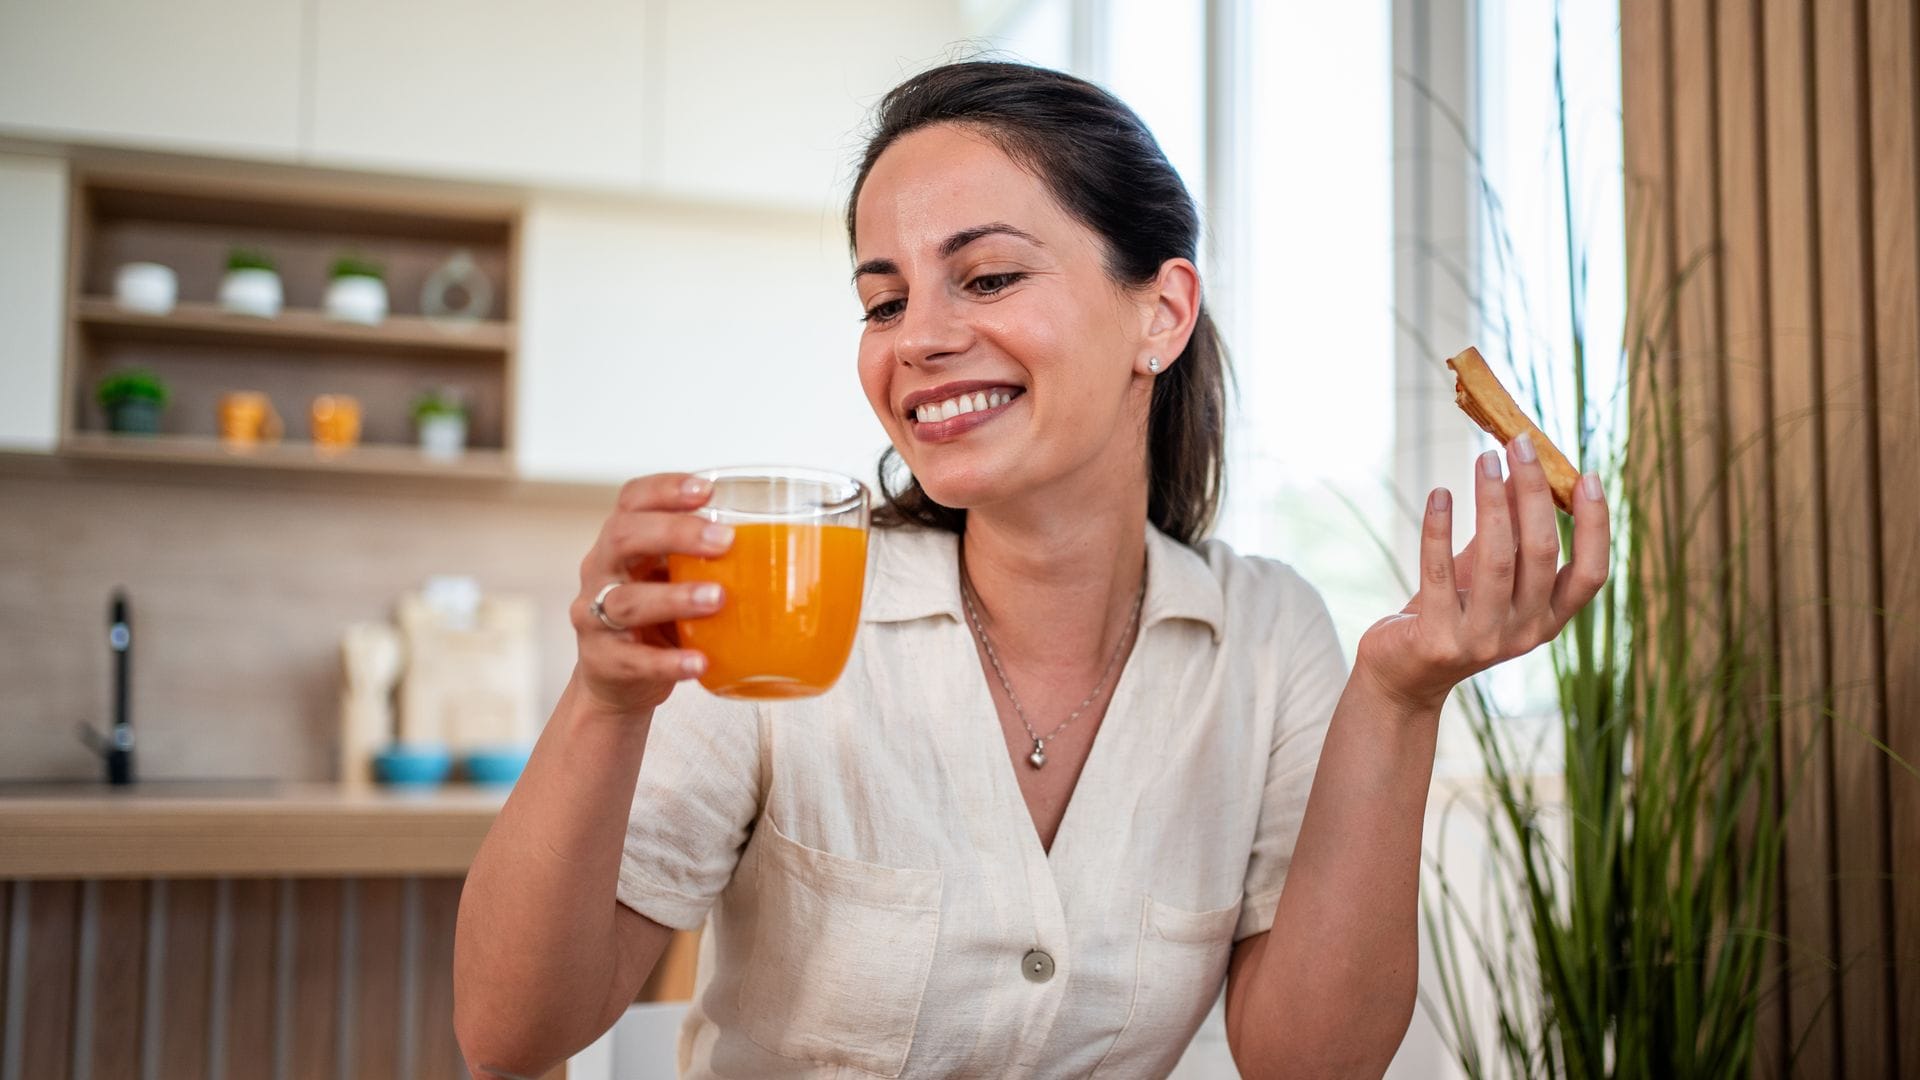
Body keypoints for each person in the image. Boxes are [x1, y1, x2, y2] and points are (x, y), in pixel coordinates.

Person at [452, 60, 1609, 1080]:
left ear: (1161, 312)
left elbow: (1312, 1063)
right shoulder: (780, 609)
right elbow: (511, 1032)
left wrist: (1401, 698)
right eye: (884, 300)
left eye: (990, 278)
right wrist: (607, 701)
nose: (916, 339)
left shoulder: (1266, 639)